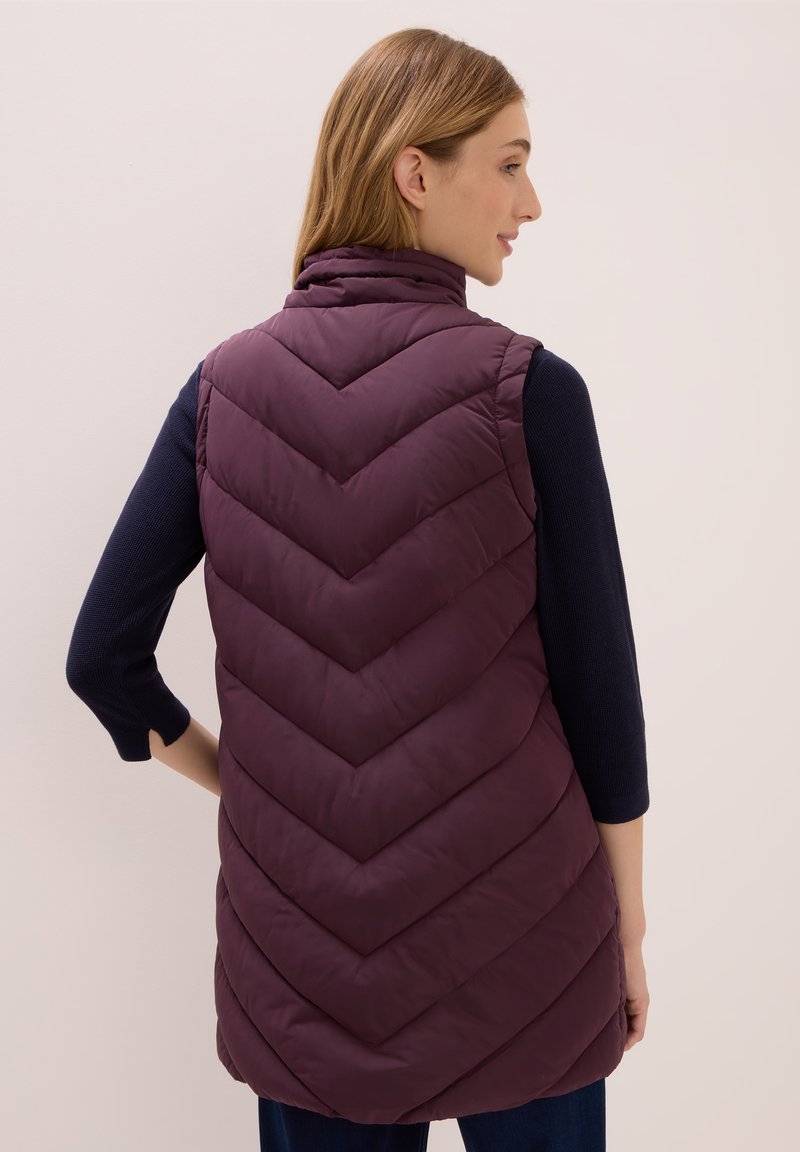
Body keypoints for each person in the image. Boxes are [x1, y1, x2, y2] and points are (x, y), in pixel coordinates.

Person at [66, 26, 650, 1152]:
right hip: (526, 939)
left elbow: (101, 659)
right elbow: (600, 694)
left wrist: (249, 788)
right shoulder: (529, 390)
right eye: (511, 163)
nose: (530, 205)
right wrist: (624, 928)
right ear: (414, 172)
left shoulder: (221, 391)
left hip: (303, 963)